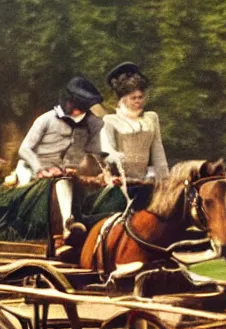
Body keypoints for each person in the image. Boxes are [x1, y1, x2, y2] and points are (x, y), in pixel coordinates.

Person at [18, 76, 112, 243]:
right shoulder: (46, 120)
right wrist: (41, 169)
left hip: (75, 178)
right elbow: (24, 149)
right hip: (42, 178)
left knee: (102, 192)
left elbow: (98, 153)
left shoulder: (91, 125)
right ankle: (67, 229)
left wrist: (109, 172)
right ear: (67, 102)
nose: (78, 112)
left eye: (83, 108)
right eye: (75, 106)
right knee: (63, 181)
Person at [101, 62, 169, 209]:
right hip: (120, 183)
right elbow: (107, 151)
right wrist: (116, 158)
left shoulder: (151, 118)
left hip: (147, 181)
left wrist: (164, 179)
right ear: (123, 99)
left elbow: (158, 151)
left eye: (140, 97)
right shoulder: (110, 120)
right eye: (133, 98)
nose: (138, 101)